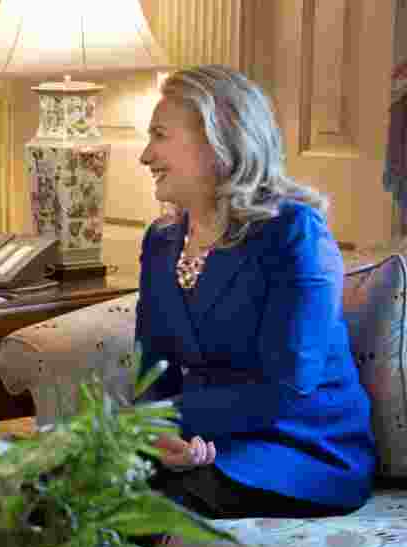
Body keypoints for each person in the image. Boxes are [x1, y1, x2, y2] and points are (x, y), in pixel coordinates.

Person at [135, 65, 376, 519]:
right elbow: (153, 374)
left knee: (131, 509)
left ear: (216, 140)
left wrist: (175, 422)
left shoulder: (294, 234)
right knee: (64, 482)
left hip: (299, 450)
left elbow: (286, 388)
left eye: (160, 136)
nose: (145, 155)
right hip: (205, 437)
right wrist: (156, 435)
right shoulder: (161, 242)